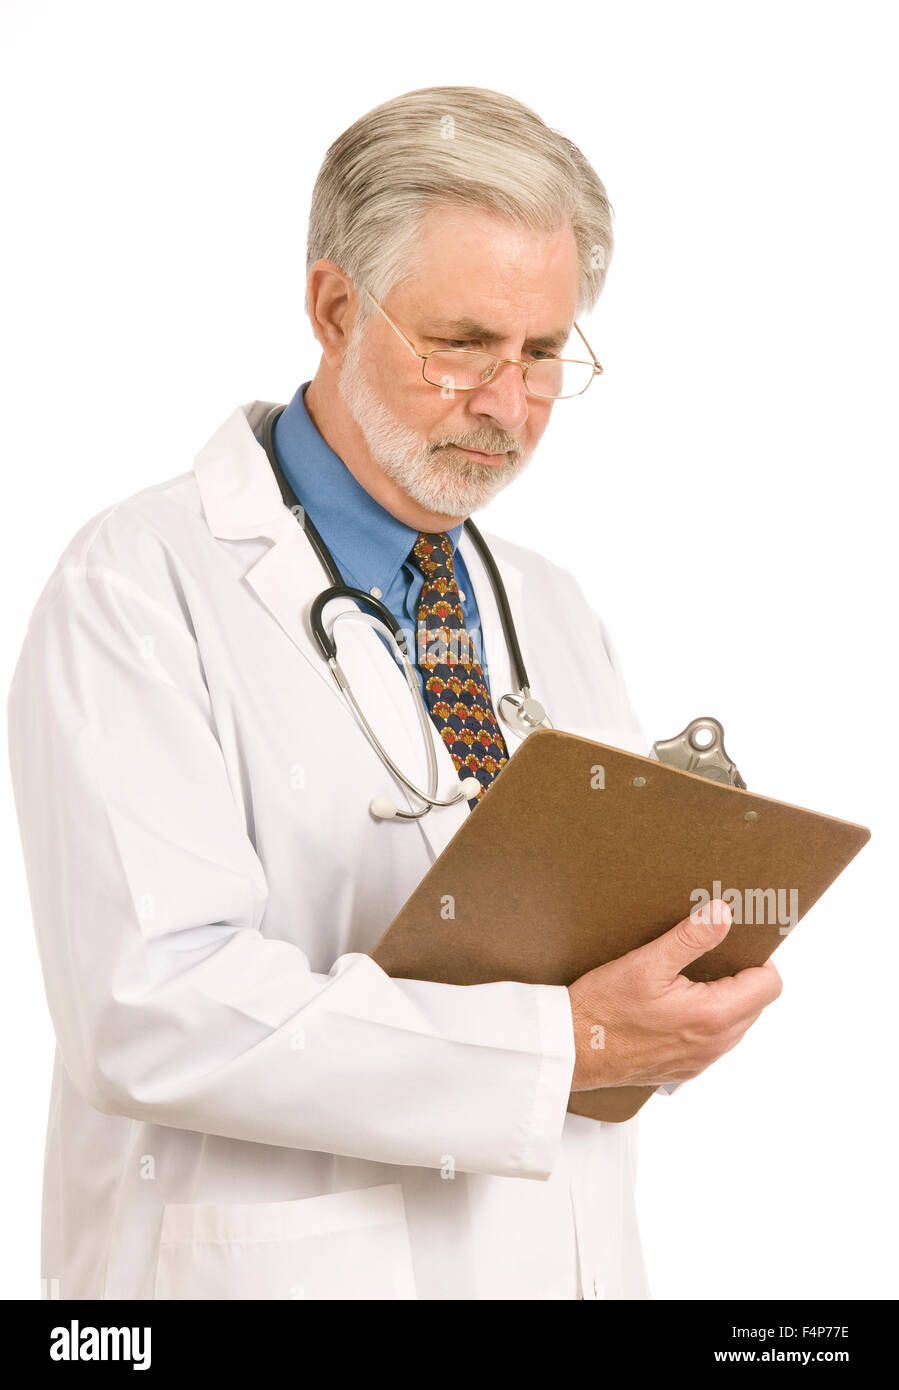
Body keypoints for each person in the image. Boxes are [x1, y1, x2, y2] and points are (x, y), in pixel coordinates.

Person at [7, 85, 782, 1301]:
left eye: (540, 355)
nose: (508, 407)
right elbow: (149, 1007)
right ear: (331, 307)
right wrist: (563, 1043)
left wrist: (667, 1000)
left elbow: (587, 975)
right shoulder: (140, 587)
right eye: (463, 344)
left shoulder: (550, 606)